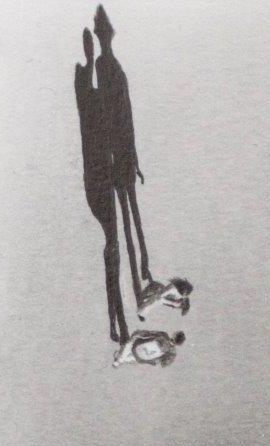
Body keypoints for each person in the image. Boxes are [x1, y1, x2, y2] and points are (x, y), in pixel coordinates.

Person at [94, 5, 151, 305]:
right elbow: (108, 114)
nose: (105, 38)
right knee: (127, 222)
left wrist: (135, 159)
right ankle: (138, 286)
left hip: (125, 153)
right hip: (117, 154)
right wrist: (112, 157)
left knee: (134, 219)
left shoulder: (114, 68)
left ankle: (145, 270)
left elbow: (127, 115)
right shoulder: (103, 68)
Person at [75, 27, 128, 343]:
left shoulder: (89, 83)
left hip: (101, 176)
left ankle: (115, 320)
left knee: (113, 244)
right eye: (88, 44)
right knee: (112, 244)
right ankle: (113, 320)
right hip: (97, 180)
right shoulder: (83, 80)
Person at [112, 330, 185, 368]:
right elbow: (164, 364)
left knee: (130, 343)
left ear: (174, 335)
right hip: (143, 358)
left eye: (175, 333)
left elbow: (148, 333)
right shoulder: (172, 353)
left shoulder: (164, 335)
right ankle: (122, 360)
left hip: (138, 347)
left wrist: (137, 334)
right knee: (136, 358)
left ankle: (120, 360)